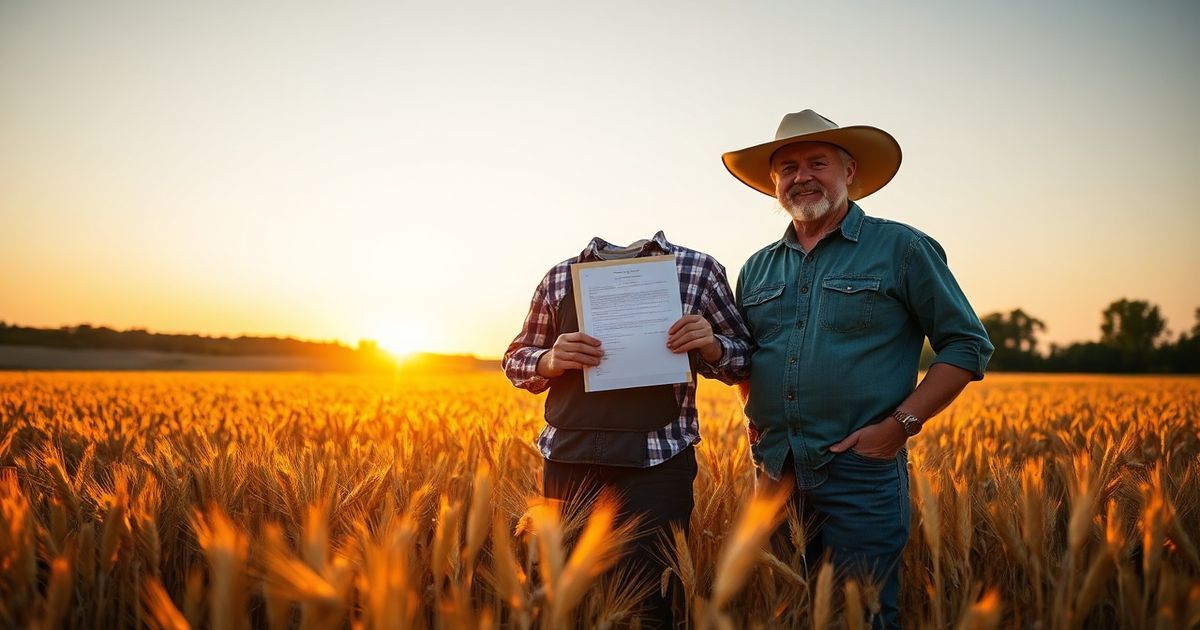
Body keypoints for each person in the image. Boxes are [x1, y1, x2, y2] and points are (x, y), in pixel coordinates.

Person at [722, 110, 994, 628]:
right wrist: (755, 419)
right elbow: (747, 357)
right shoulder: (757, 267)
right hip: (776, 469)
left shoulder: (903, 247)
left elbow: (966, 346)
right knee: (791, 613)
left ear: (849, 171)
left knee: (862, 615)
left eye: (817, 162)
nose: (801, 176)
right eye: (787, 168)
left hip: (860, 472)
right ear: (774, 183)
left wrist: (899, 428)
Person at [502, 231, 751, 628]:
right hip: (568, 461)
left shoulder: (699, 269)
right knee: (564, 599)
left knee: (647, 604)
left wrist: (714, 346)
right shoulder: (559, 276)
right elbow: (516, 360)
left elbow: (745, 359)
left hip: (658, 465)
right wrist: (549, 359)